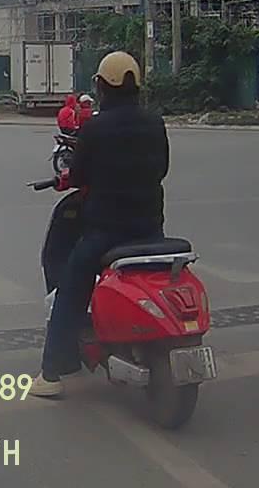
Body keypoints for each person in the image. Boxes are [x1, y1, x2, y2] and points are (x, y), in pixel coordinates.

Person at [31, 51, 169, 398]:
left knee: (70, 288)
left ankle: (51, 372)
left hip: (107, 232)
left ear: (102, 87)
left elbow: (78, 175)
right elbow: (162, 169)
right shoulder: (154, 121)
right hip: (150, 228)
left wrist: (70, 177)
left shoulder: (95, 127)